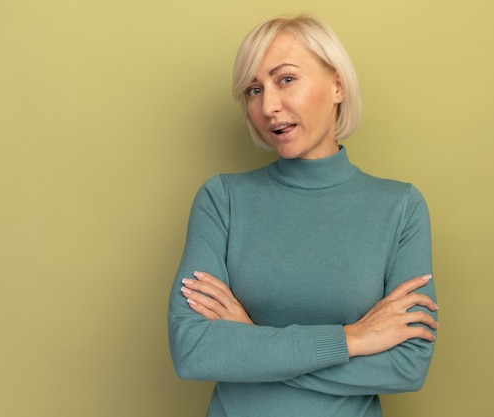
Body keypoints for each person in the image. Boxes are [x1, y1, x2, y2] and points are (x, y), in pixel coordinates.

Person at [168, 13, 439, 417]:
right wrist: (351, 339)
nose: (268, 107)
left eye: (286, 79)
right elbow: (192, 350)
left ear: (337, 85)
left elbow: (406, 366)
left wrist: (249, 343)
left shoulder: (400, 207)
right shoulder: (222, 199)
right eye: (254, 89)